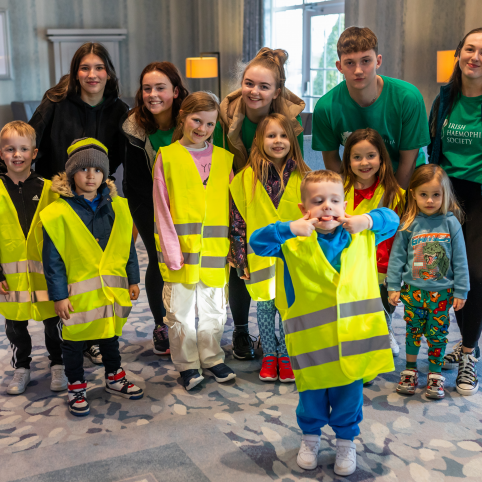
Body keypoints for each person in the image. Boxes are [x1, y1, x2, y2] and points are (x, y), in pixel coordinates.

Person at [250, 170, 399, 476]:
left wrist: (368, 220)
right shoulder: (292, 243)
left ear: (345, 205)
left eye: (334, 200)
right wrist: (289, 228)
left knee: (349, 397)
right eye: (318, 201)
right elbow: (257, 242)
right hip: (313, 344)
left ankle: (346, 442)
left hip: (355, 341)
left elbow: (393, 219)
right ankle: (310, 438)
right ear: (305, 209)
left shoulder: (363, 234)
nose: (327, 207)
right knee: (312, 397)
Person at [213, 47, 305, 361]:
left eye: (264, 86)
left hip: (275, 193)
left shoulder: (288, 122)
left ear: (276, 91)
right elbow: (214, 161)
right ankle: (241, 329)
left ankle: (278, 337)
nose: (255, 91)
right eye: (249, 83)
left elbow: (297, 164)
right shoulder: (224, 116)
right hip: (239, 190)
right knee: (241, 265)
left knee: (280, 271)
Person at [40, 139, 143, 416]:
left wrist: (133, 279)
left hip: (110, 293)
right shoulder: (58, 213)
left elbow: (126, 247)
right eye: (83, 169)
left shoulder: (119, 207)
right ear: (71, 172)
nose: (90, 175)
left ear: (104, 174)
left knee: (110, 336)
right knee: (73, 343)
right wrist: (59, 296)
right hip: (77, 297)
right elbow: (53, 261)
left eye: (97, 170)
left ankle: (114, 376)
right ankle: (76, 385)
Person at [153, 92, 236, 391]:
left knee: (215, 309)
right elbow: (161, 209)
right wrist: (171, 251)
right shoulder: (167, 156)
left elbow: (231, 208)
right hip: (180, 252)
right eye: (196, 120)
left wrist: (233, 249)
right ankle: (187, 364)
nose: (202, 128)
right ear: (183, 117)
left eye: (210, 124)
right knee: (180, 312)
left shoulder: (225, 159)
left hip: (215, 252)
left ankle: (212, 357)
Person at [230, 113, 310, 382]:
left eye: (284, 135)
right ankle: (270, 355)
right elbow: (237, 221)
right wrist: (240, 259)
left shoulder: (304, 177)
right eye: (271, 135)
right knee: (264, 307)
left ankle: (287, 354)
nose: (278, 141)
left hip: (295, 259)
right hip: (260, 258)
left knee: (290, 308)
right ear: (259, 140)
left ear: (293, 140)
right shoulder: (245, 179)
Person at [121, 62, 189, 356]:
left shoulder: (192, 119)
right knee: (159, 258)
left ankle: (188, 321)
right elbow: (134, 180)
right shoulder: (134, 126)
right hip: (146, 200)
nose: (152, 94)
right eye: (147, 88)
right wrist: (158, 217)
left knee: (188, 257)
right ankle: (161, 323)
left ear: (175, 91)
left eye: (160, 87)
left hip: (187, 200)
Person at [428, 28, 482, 395]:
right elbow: (434, 149)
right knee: (443, 276)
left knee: (474, 275)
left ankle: (468, 354)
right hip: (448, 195)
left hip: (481, 195)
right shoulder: (445, 97)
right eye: (470, 48)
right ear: (458, 53)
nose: (476, 57)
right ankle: (457, 342)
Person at [312, 26, 430, 190]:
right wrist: (348, 196)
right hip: (358, 185)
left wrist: (389, 206)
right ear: (339, 66)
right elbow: (332, 162)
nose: (358, 70)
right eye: (350, 63)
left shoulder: (408, 98)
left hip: (407, 183)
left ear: (378, 61)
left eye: (366, 61)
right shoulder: (325, 107)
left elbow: (407, 164)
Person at [387, 165, 470, 398]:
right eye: (424, 194)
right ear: (413, 193)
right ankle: (410, 370)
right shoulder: (409, 222)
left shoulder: (451, 223)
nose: (430, 200)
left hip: (442, 293)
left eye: (436, 195)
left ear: (445, 195)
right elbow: (397, 257)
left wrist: (461, 291)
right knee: (412, 331)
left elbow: (461, 260)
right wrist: (393, 286)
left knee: (437, 334)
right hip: (413, 291)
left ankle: (434, 374)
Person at [0, 121, 67, 395]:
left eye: (23, 149)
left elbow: (63, 234)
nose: (17, 155)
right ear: (1, 153)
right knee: (15, 325)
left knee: (54, 323)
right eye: (10, 149)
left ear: (34, 152)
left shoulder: (51, 189)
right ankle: (22, 368)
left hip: (46, 275)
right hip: (10, 277)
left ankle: (59, 364)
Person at [341, 128, 405, 358]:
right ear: (348, 160)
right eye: (357, 157)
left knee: (382, 302)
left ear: (381, 158)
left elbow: (399, 233)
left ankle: (385, 331)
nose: (364, 162)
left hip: (382, 262)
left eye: (371, 156)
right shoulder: (339, 189)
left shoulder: (394, 193)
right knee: (354, 307)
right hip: (348, 263)